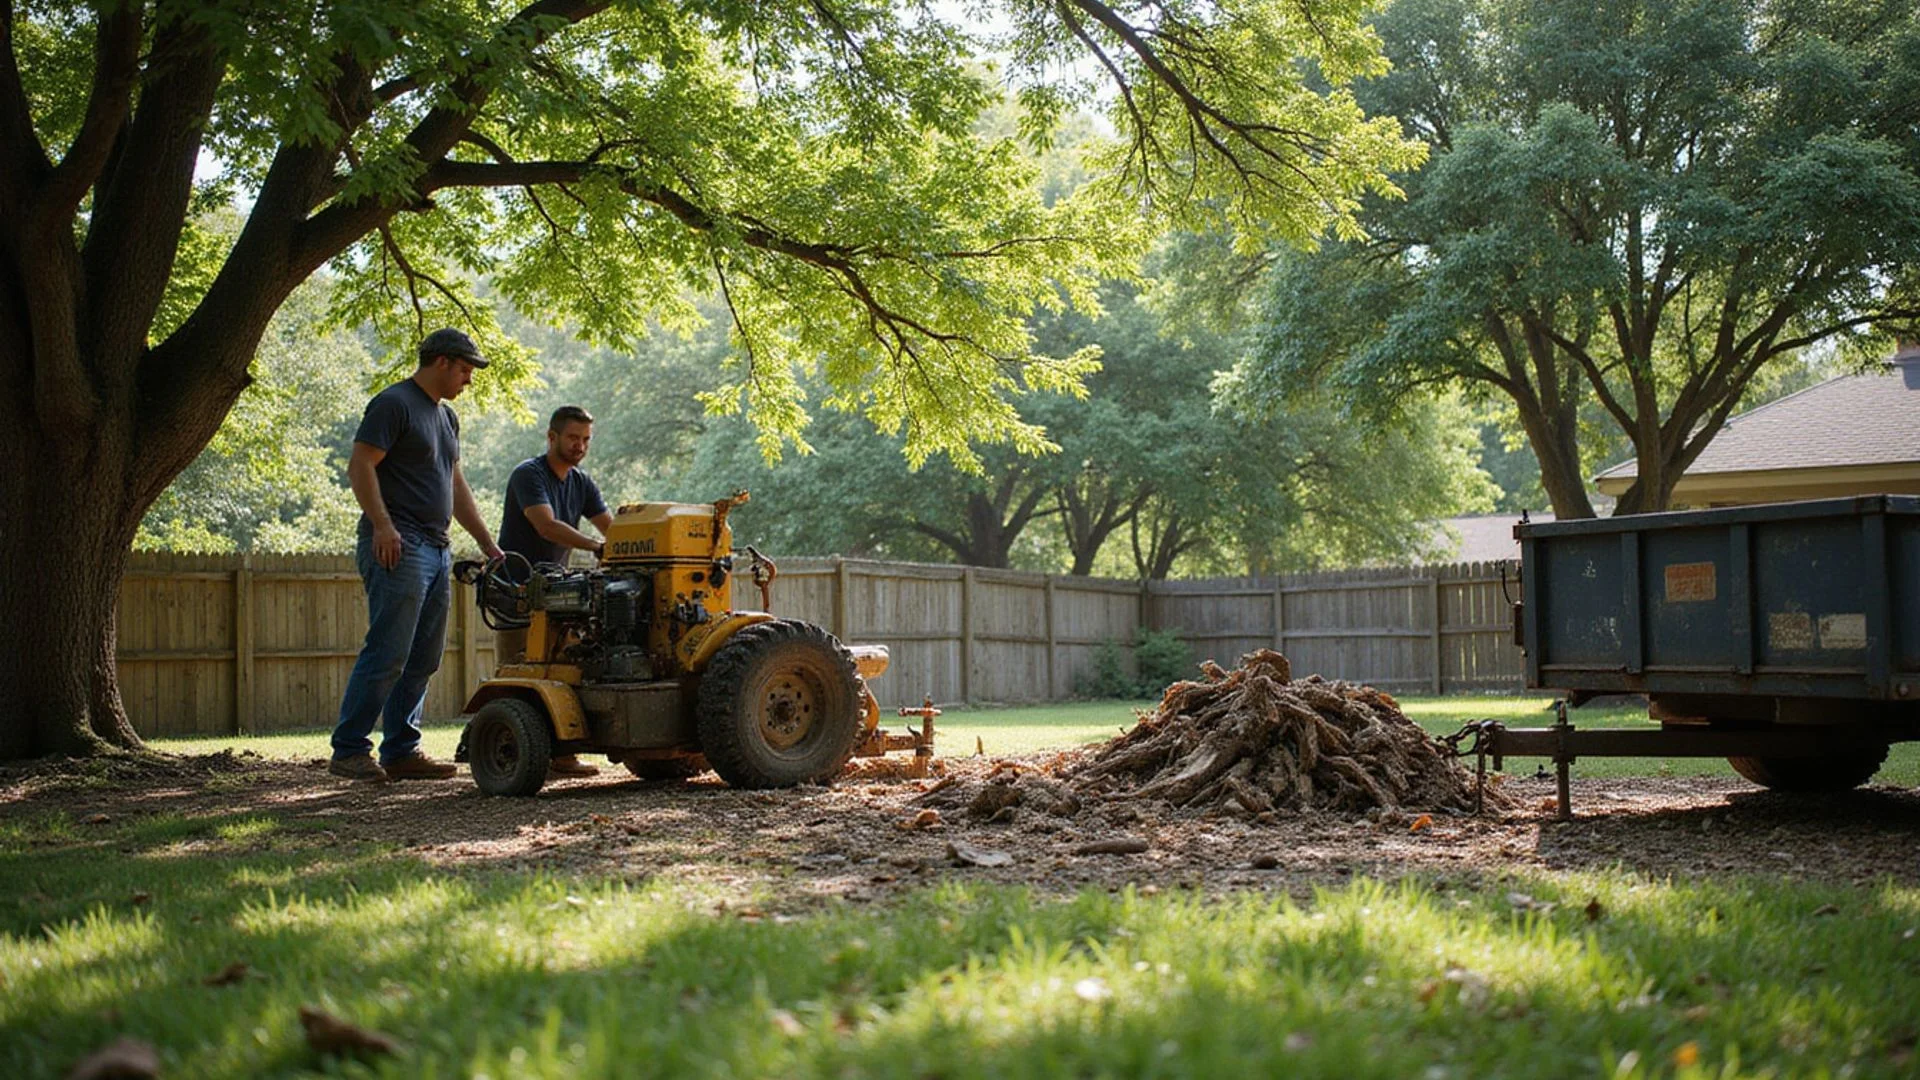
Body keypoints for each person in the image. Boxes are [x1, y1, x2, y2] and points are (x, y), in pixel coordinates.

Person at [330, 329, 503, 782]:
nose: (469, 379)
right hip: (400, 543)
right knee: (389, 651)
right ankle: (349, 750)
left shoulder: (446, 419)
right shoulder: (394, 403)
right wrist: (383, 526)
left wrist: (488, 544)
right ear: (442, 362)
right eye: (465, 369)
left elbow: (455, 485)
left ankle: (402, 750)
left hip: (438, 547)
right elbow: (360, 464)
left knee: (425, 656)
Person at [495, 404, 614, 778]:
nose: (580, 446)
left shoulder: (583, 482)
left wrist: (634, 546)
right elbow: (547, 526)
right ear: (552, 437)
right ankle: (511, 757)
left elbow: (612, 528)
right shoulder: (528, 475)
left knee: (564, 669)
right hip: (516, 590)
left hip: (559, 595)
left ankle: (562, 757)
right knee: (521, 673)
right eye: (573, 438)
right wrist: (596, 547)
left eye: (586, 440)